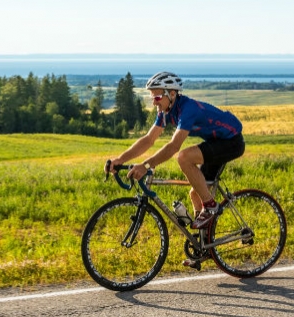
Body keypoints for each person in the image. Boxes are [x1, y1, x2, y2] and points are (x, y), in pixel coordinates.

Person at [105, 71, 245, 231]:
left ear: (172, 94)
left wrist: (145, 165)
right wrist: (120, 160)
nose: (154, 103)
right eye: (152, 98)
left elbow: (173, 146)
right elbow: (149, 139)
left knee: (184, 157)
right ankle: (204, 248)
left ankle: (211, 206)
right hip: (215, 141)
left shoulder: (188, 109)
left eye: (157, 98)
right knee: (195, 194)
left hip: (231, 141)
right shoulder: (165, 112)